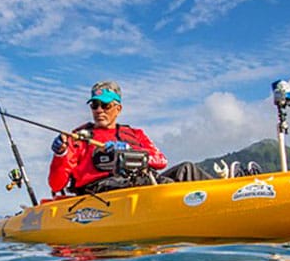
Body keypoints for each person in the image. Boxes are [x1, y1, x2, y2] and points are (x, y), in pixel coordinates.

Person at [48, 80, 215, 196]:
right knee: (156, 184)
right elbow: (56, 184)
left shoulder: (135, 134)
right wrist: (61, 154)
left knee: (187, 169)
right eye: (94, 105)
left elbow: (160, 161)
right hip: (100, 191)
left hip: (141, 182)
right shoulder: (77, 137)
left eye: (105, 105)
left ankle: (228, 192)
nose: (99, 110)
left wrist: (129, 152)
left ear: (118, 108)